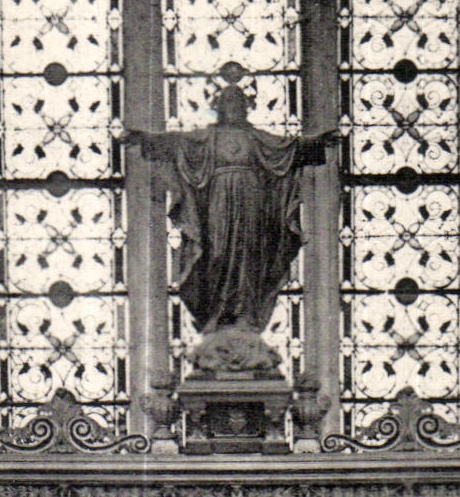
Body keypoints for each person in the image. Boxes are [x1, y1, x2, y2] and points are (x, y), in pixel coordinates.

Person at [126, 86, 338, 340]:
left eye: (238, 103)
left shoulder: (256, 138)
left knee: (249, 254)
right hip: (218, 203)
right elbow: (177, 143)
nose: (233, 108)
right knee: (216, 252)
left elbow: (287, 149)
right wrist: (147, 139)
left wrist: (317, 143)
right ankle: (219, 314)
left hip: (251, 203)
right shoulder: (208, 138)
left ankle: (245, 314)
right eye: (227, 102)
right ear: (218, 107)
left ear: (246, 107)